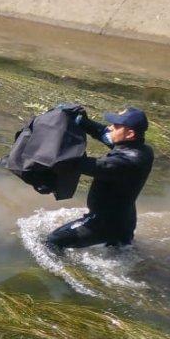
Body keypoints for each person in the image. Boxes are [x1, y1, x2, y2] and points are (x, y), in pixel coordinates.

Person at [46, 107, 154, 250]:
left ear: (130, 134)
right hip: (124, 220)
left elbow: (79, 164)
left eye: (116, 126)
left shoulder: (125, 163)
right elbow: (103, 133)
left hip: (104, 223)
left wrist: (51, 150)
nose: (110, 128)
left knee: (52, 241)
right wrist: (83, 122)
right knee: (120, 251)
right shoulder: (141, 149)